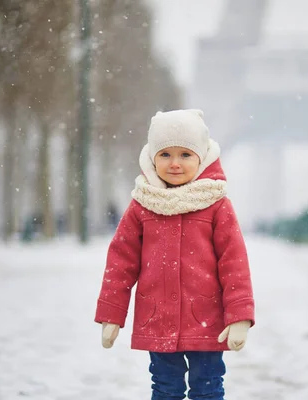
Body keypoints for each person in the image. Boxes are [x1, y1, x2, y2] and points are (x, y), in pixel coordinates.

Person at [94, 109, 255, 400]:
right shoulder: (142, 205)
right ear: (152, 157)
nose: (175, 163)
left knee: (207, 387)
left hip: (206, 318)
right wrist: (111, 314)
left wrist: (239, 316)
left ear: (201, 158)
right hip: (157, 318)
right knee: (165, 388)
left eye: (185, 155)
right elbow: (121, 262)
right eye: (165, 154)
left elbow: (234, 263)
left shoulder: (217, 205)